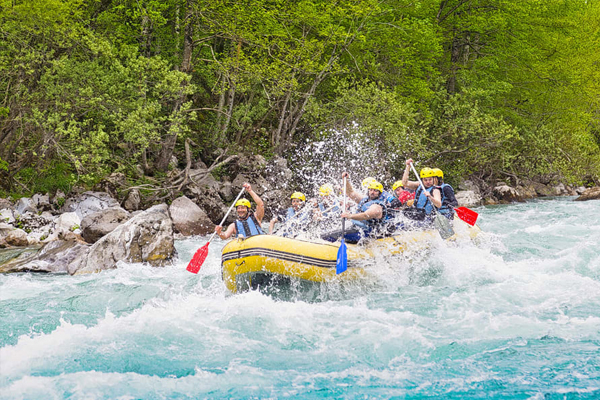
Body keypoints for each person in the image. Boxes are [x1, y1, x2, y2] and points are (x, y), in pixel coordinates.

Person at [321, 173, 390, 243]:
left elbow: (365, 215)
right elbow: (350, 192)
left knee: (327, 236)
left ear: (379, 193)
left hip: (364, 232)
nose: (372, 192)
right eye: (371, 190)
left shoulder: (377, 207)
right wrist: (345, 180)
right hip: (355, 228)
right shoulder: (365, 199)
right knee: (327, 233)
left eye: (375, 191)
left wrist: (350, 216)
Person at [401, 159, 443, 223]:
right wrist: (408, 166)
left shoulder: (435, 190)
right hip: (416, 214)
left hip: (427, 218)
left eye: (430, 179)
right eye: (425, 180)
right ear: (422, 180)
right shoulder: (419, 185)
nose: (428, 182)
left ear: (433, 179)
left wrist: (430, 197)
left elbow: (439, 204)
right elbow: (404, 183)